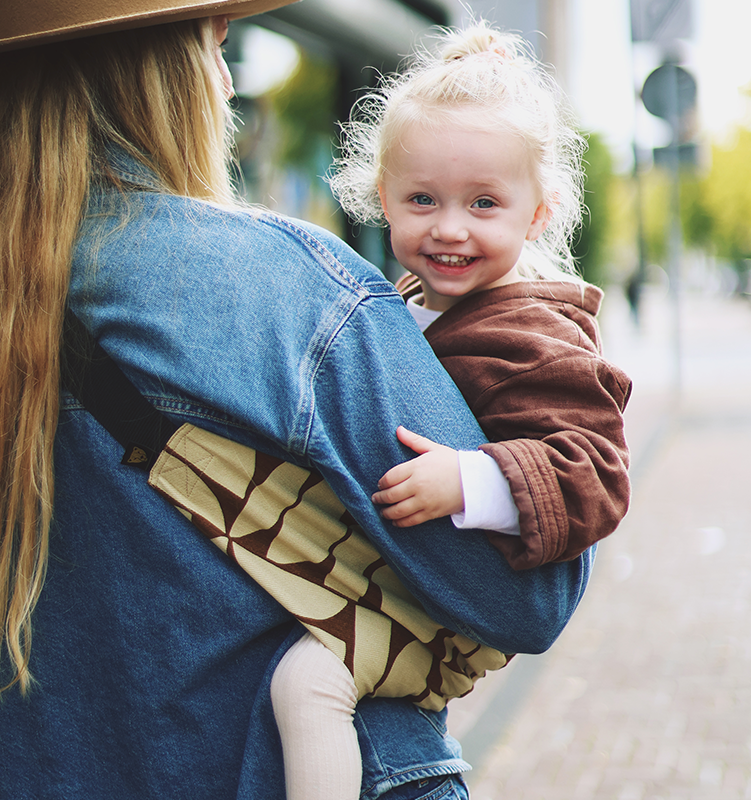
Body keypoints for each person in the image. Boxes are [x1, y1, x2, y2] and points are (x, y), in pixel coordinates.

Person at [0, 3, 597, 799]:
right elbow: (532, 597)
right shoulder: (283, 290)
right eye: (214, 48)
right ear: (164, 72)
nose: (225, 80)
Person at [268, 21, 632, 800]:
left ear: (539, 213)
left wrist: (473, 479)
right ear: (383, 198)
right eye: (422, 199)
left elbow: (596, 472)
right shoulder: (402, 304)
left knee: (306, 685)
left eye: (484, 203)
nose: (450, 228)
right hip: (393, 575)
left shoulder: (535, 331)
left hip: (451, 606)